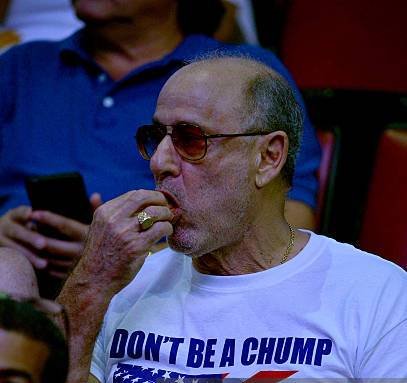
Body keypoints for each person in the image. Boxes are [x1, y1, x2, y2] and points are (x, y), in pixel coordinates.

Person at [41, 54, 407, 383]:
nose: (159, 163)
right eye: (156, 138)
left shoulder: (372, 293)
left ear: (268, 157)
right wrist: (90, 280)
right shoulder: (120, 283)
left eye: (191, 141)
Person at [0, 0, 320, 290]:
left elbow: (292, 216)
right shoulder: (19, 67)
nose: (159, 160)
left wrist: (130, 257)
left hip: (171, 300)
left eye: (188, 139)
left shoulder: (240, 75)